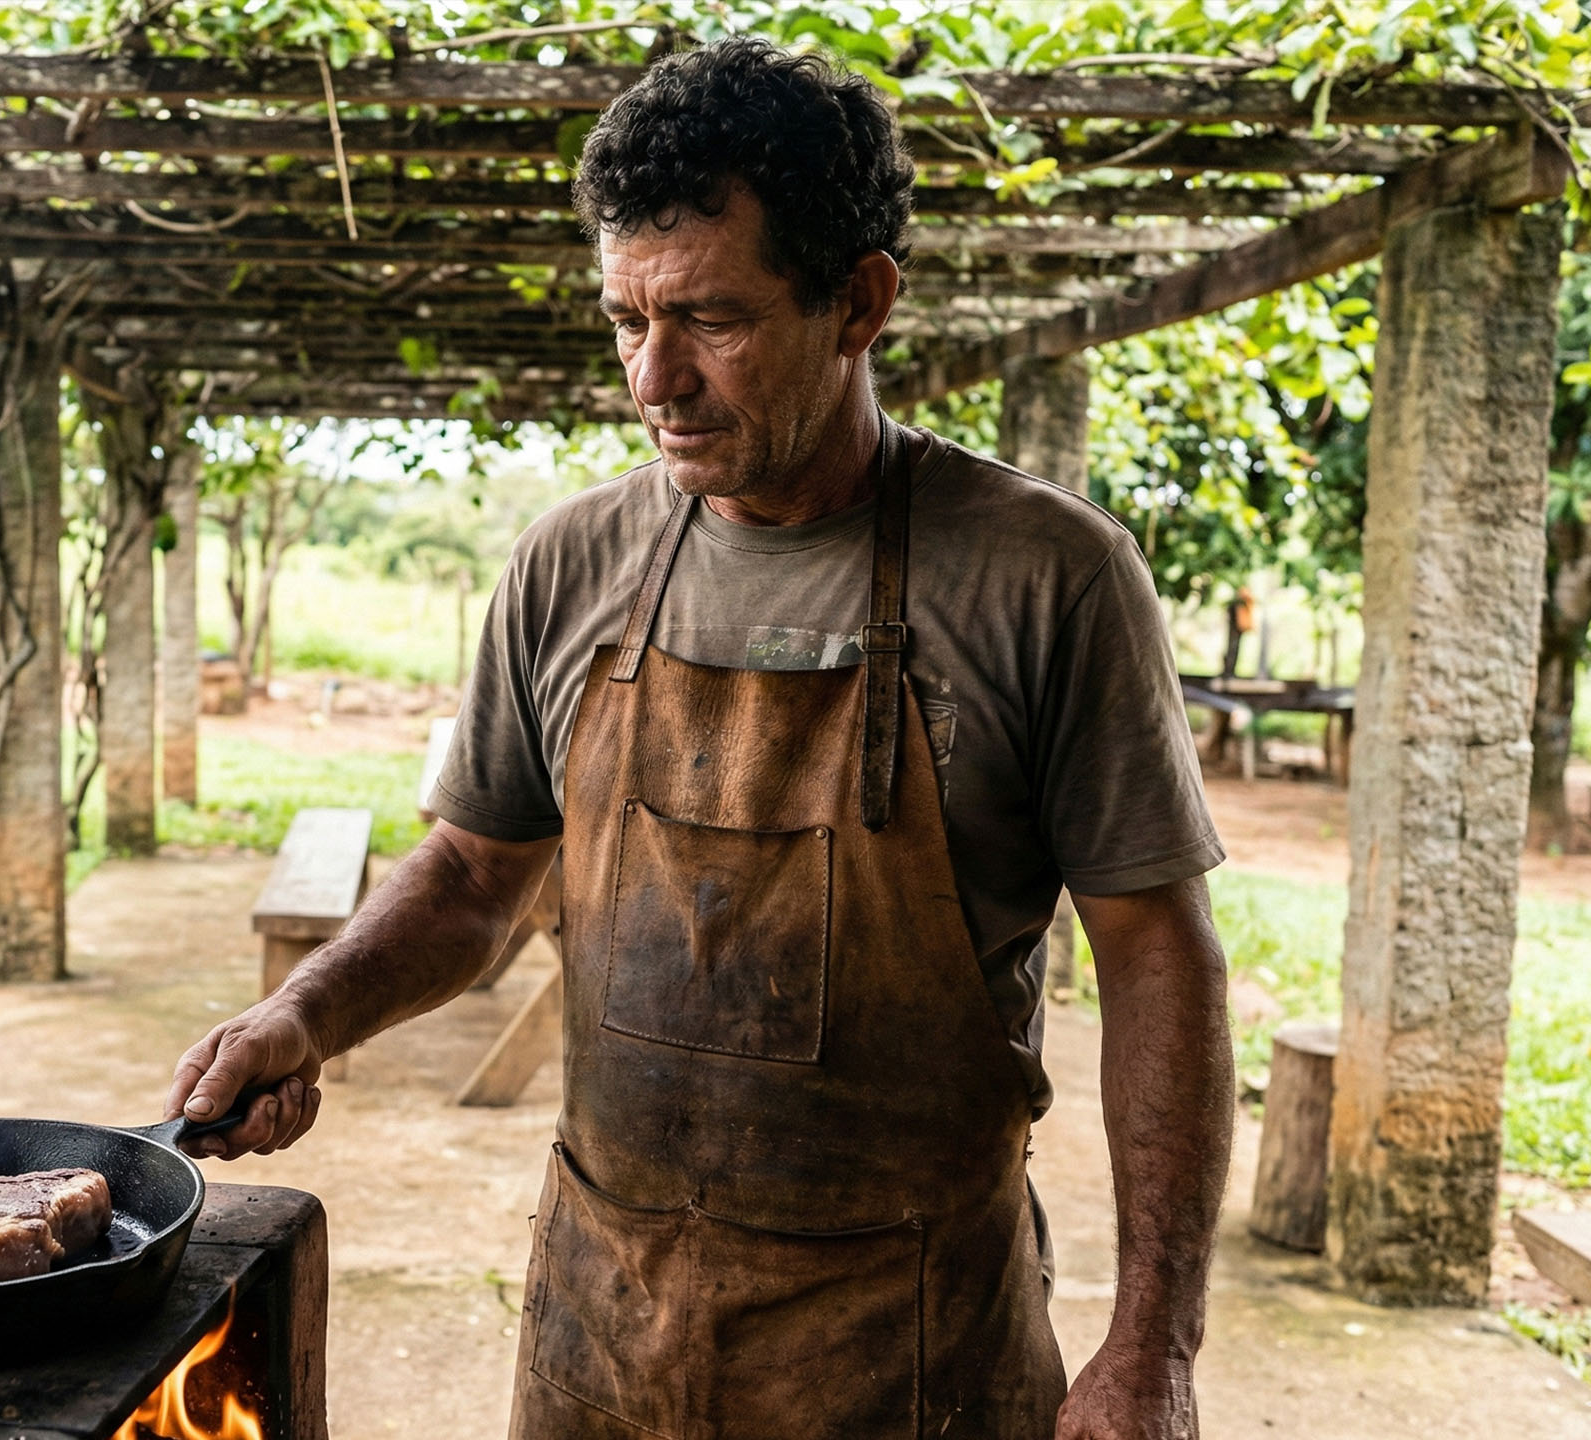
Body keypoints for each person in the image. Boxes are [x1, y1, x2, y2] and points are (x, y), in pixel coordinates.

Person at [164, 36, 1233, 1440]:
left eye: (711, 321)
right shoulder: (571, 564)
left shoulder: (1046, 578)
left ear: (859, 304)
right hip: (604, 1327)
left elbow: (1156, 954)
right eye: (625, 321)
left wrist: (1153, 1344)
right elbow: (480, 875)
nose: (651, 379)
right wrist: (307, 1010)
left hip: (908, 1351)